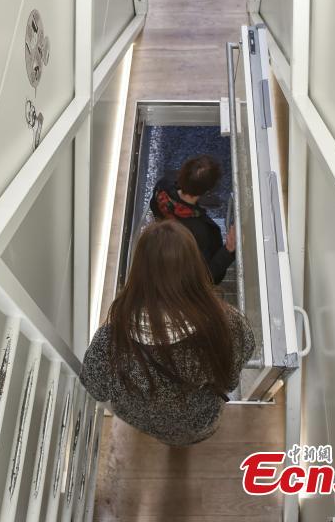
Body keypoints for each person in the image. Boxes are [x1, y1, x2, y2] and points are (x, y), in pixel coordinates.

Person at [80, 220, 255, 447]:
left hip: (144, 423)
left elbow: (95, 388)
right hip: (201, 422)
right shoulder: (227, 323)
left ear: (139, 271)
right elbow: (232, 380)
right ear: (194, 267)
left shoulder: (111, 340)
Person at [150, 154, 236, 284]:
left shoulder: (163, 186)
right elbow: (206, 275)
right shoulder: (201, 231)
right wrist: (228, 250)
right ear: (207, 191)